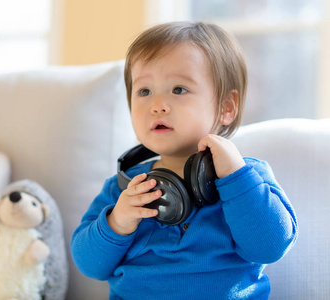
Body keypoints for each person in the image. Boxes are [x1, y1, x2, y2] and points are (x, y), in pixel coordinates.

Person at [70, 21, 298, 299]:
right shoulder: (124, 188)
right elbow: (89, 265)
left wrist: (236, 178)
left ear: (226, 107)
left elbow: (271, 247)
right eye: (144, 91)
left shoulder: (245, 177)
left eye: (178, 89)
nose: (157, 105)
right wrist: (118, 222)